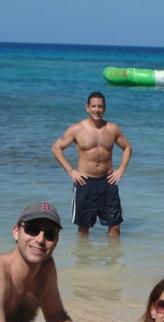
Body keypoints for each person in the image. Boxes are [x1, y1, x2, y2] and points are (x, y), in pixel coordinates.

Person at [51, 91, 132, 237]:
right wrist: (71, 171)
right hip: (85, 183)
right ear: (87, 108)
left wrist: (121, 169)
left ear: (104, 108)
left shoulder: (112, 129)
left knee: (114, 228)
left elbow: (127, 148)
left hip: (108, 182)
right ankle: (83, 253)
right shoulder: (77, 129)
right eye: (93, 106)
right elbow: (56, 148)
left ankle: (114, 253)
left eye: (100, 106)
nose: (97, 110)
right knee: (83, 229)